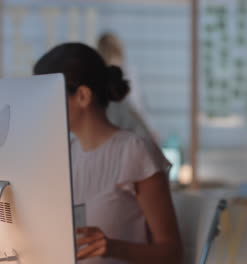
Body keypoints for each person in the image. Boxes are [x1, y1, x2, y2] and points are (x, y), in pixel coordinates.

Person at [33, 43, 182, 264]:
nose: (41, 107)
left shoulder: (133, 151)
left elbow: (172, 253)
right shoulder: (66, 154)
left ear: (82, 96)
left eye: (48, 96)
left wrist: (113, 247)